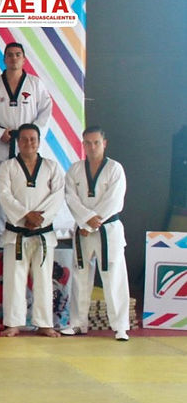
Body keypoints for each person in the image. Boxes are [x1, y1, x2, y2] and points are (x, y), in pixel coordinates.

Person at [0, 123, 64, 337]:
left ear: (39, 141)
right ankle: (13, 323)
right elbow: (4, 195)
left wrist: (39, 218)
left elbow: (58, 195)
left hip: (43, 231)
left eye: (33, 139)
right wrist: (25, 215)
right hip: (16, 232)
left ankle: (44, 323)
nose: (28, 143)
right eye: (24, 139)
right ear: (18, 142)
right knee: (14, 280)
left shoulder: (52, 167)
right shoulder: (7, 167)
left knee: (44, 279)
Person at [63, 127, 130, 341]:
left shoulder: (115, 169)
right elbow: (70, 198)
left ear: (104, 143)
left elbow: (114, 200)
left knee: (114, 276)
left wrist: (91, 223)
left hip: (108, 229)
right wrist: (85, 220)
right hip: (83, 230)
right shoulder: (75, 169)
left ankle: (120, 327)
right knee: (80, 275)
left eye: (96, 142)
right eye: (88, 143)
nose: (92, 147)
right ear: (83, 144)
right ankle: (77, 323)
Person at [0, 43, 52, 242]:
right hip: (2, 146)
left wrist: (30, 137)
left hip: (27, 149)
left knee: (26, 191)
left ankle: (26, 233)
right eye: (10, 55)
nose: (14, 58)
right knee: (1, 193)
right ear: (4, 59)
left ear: (24, 59)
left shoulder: (35, 84)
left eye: (17, 55)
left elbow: (46, 111)